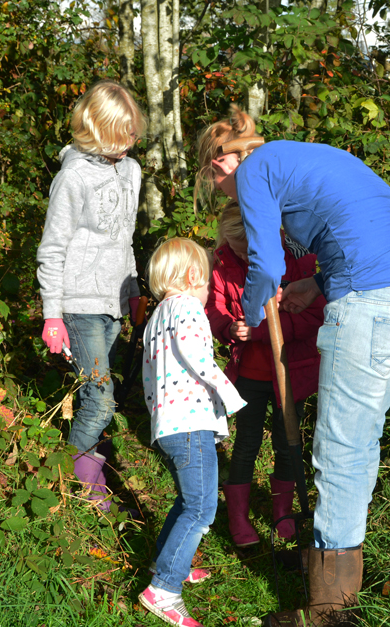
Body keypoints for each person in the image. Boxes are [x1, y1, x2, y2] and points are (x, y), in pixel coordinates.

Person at [194, 108, 390, 627]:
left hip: (373, 305)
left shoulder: (257, 169)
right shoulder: (300, 156)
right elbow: (366, 233)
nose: (225, 194)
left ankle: (329, 611)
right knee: (358, 439)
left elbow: (265, 265)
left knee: (341, 449)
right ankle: (329, 562)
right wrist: (322, 285)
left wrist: (249, 309)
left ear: (223, 163)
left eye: (216, 182)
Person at [37, 80, 145, 511]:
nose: (128, 142)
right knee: (100, 401)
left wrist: (134, 288)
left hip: (115, 300)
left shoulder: (132, 171)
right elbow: (52, 248)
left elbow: (126, 237)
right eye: (119, 134)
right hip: (79, 303)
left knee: (99, 395)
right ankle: (79, 481)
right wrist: (52, 315)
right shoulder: (72, 178)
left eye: (132, 132)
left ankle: (84, 469)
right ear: (94, 130)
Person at [139, 237, 248, 627]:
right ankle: (164, 590)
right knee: (202, 508)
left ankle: (165, 562)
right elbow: (198, 356)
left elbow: (150, 374)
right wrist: (229, 394)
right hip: (190, 422)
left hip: (167, 424)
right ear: (192, 276)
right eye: (206, 286)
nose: (207, 295)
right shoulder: (186, 308)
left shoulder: (157, 317)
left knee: (188, 501)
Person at [205, 202, 325, 548]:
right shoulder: (223, 263)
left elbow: (312, 318)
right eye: (235, 246)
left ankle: (283, 513)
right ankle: (238, 518)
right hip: (250, 373)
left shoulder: (297, 259)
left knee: (288, 443)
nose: (242, 254)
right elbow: (214, 309)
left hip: (291, 370)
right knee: (245, 444)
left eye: (247, 247)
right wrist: (228, 327)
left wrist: (259, 330)